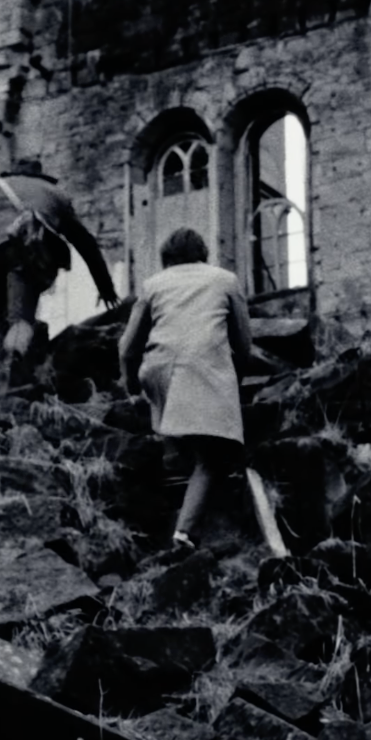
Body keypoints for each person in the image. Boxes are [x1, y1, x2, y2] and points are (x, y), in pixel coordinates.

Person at [119, 227, 258, 551]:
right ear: (203, 254)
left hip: (157, 371)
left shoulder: (154, 284)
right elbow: (244, 344)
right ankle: (184, 533)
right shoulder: (225, 280)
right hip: (201, 368)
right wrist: (233, 381)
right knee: (212, 459)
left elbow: (128, 347)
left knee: (173, 408)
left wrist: (129, 384)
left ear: (166, 258)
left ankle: (172, 451)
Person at [0, 159, 118, 388]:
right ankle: (13, 370)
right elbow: (85, 242)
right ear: (40, 176)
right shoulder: (56, 194)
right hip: (28, 251)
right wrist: (105, 286)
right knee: (20, 317)